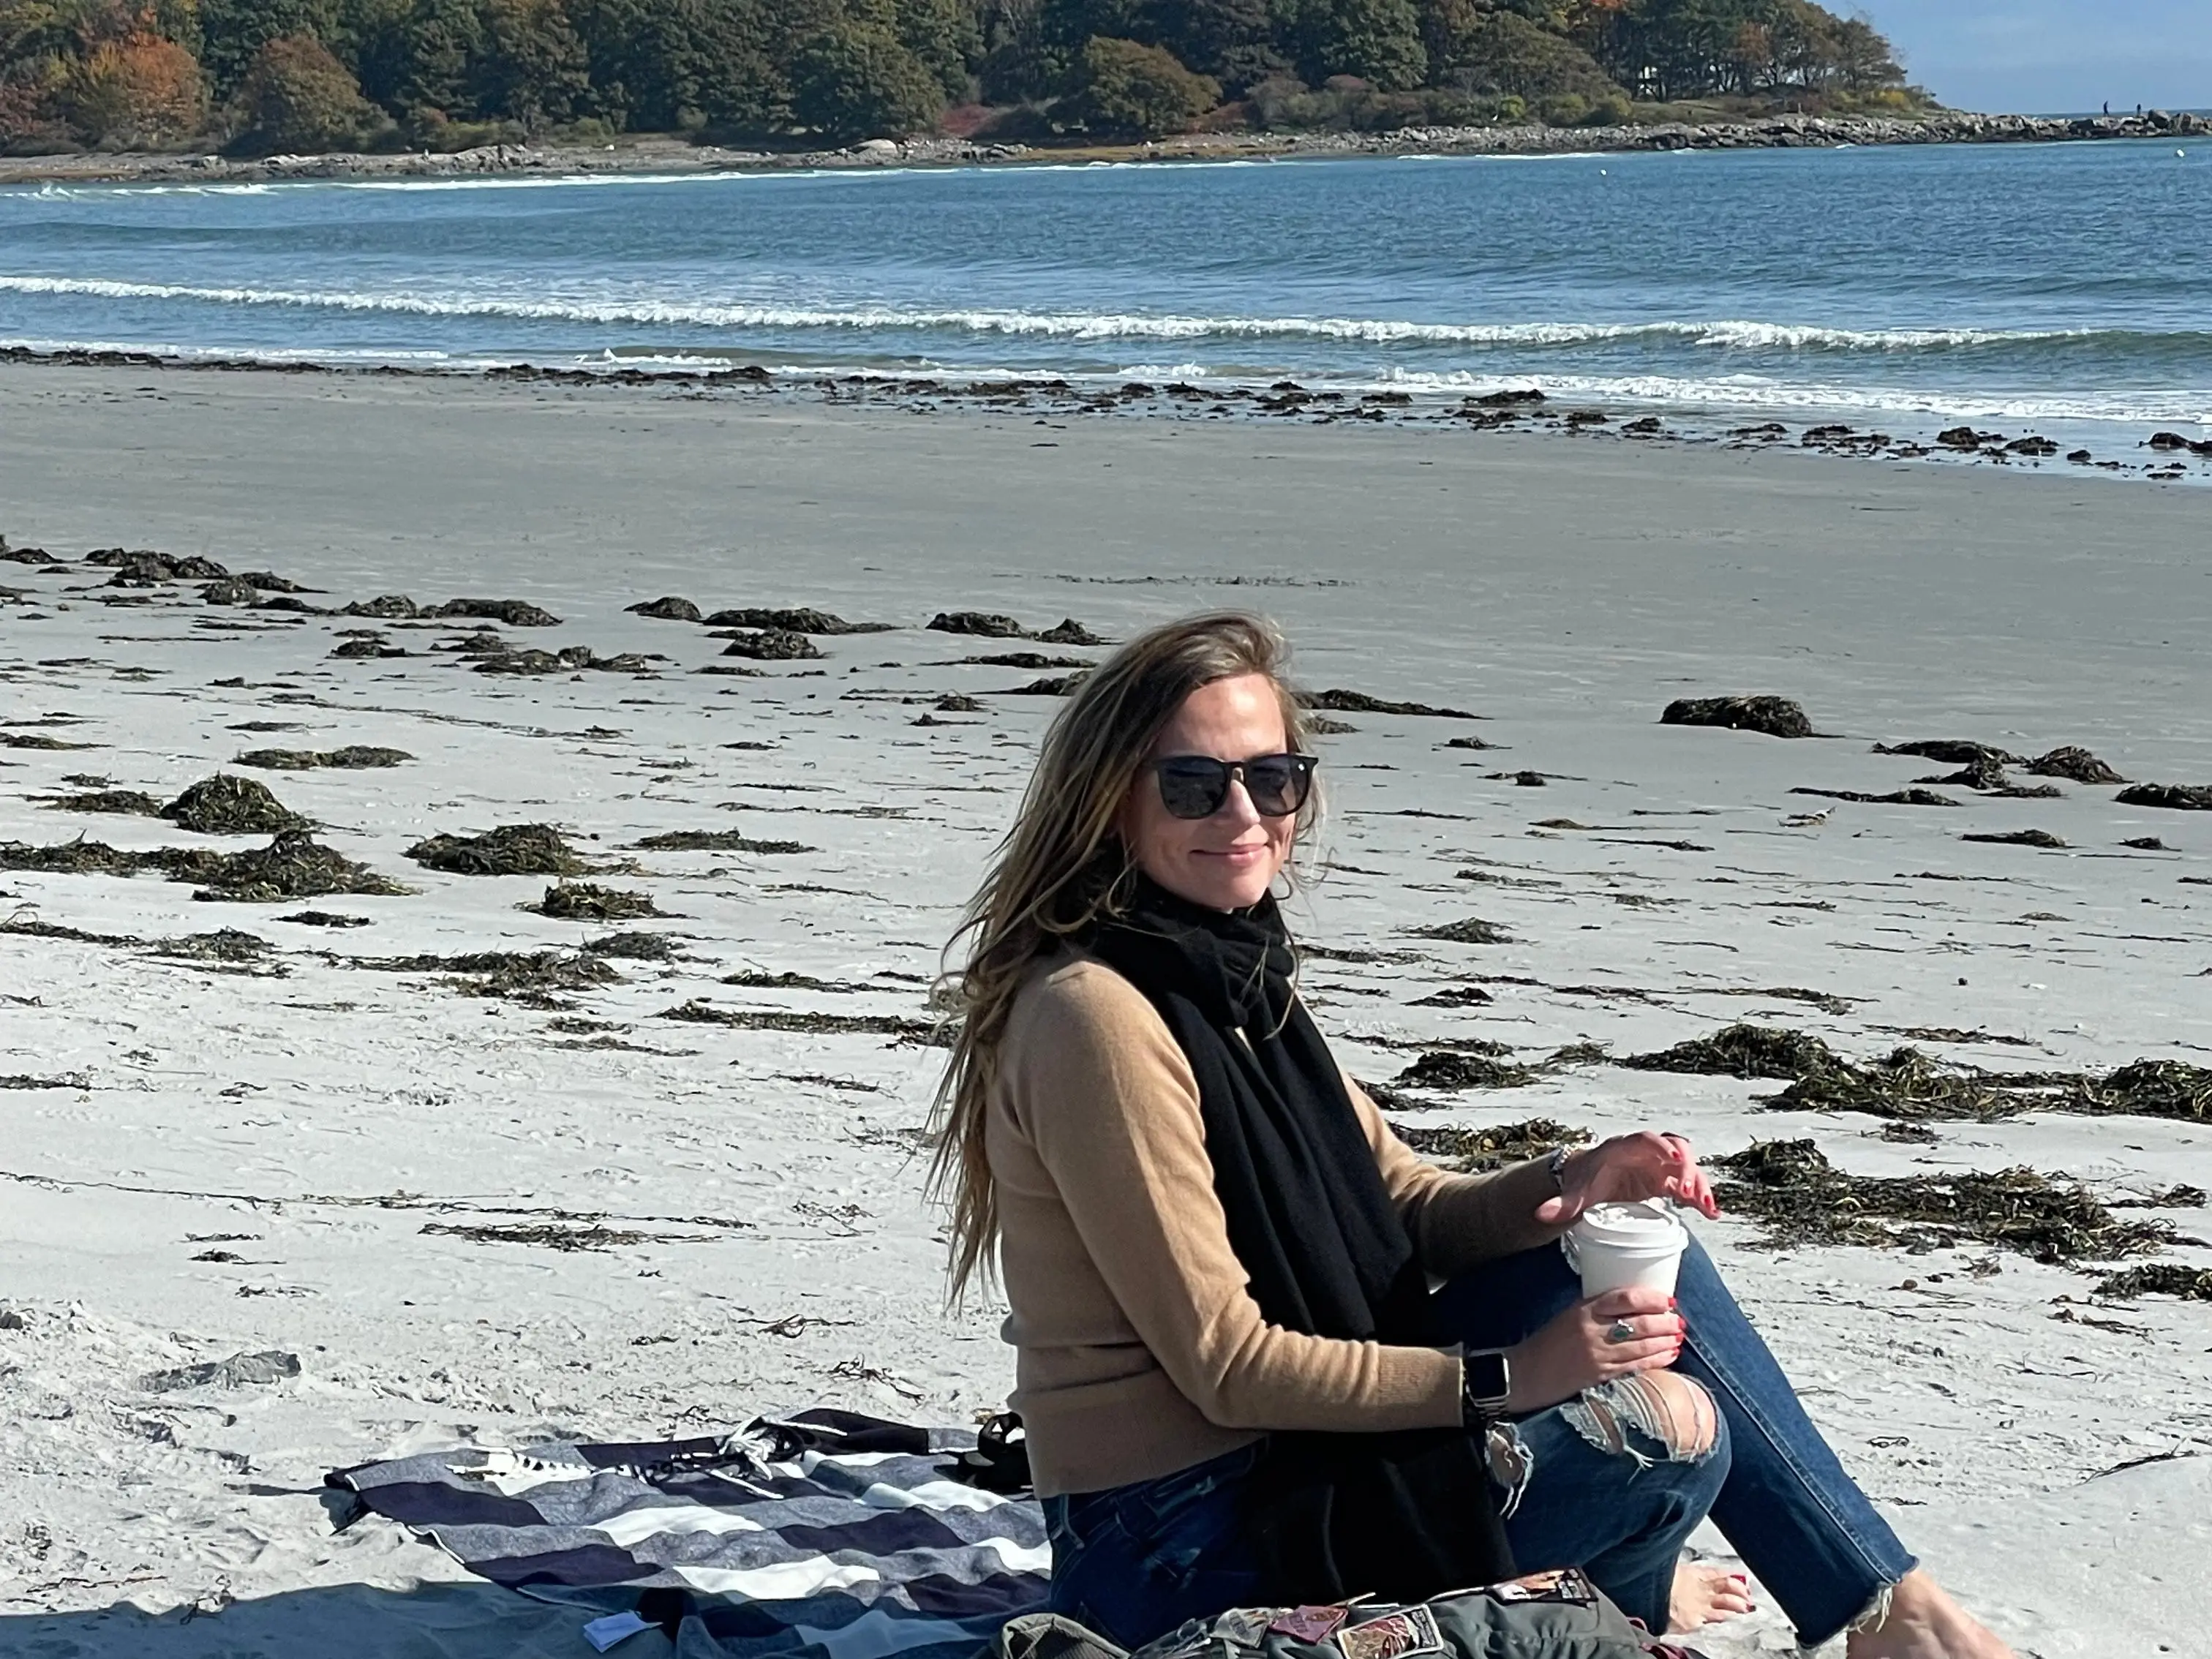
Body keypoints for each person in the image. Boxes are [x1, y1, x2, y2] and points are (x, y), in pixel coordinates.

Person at [930, 613, 2016, 1659]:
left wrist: (1573, 1178)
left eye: (1274, 778)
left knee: (1615, 1258)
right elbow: (1228, 1367)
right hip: (1179, 1538)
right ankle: (1657, 1597)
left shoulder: (1225, 969)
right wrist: (1508, 1377)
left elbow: (1404, 1204)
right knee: (1671, 1431)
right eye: (1194, 785)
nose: (1246, 813)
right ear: (1111, 801)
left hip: (1278, 1463)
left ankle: (1872, 1613)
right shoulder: (1098, 1016)